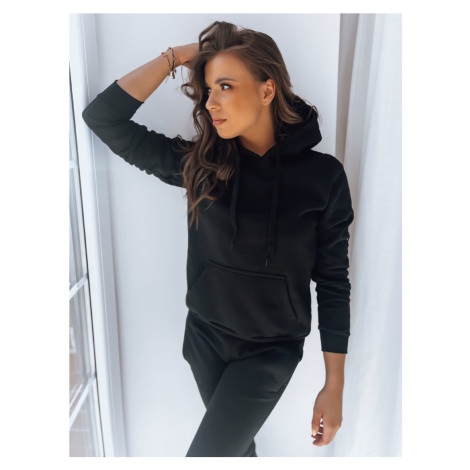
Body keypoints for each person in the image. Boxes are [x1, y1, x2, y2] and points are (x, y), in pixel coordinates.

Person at [82, 20, 355, 457]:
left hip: (270, 352)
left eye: (225, 86)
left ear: (267, 90)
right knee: (235, 453)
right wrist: (177, 57)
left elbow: (334, 281)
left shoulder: (324, 178)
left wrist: (335, 385)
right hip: (204, 340)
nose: (211, 102)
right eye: (208, 90)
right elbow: (103, 118)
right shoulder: (202, 165)